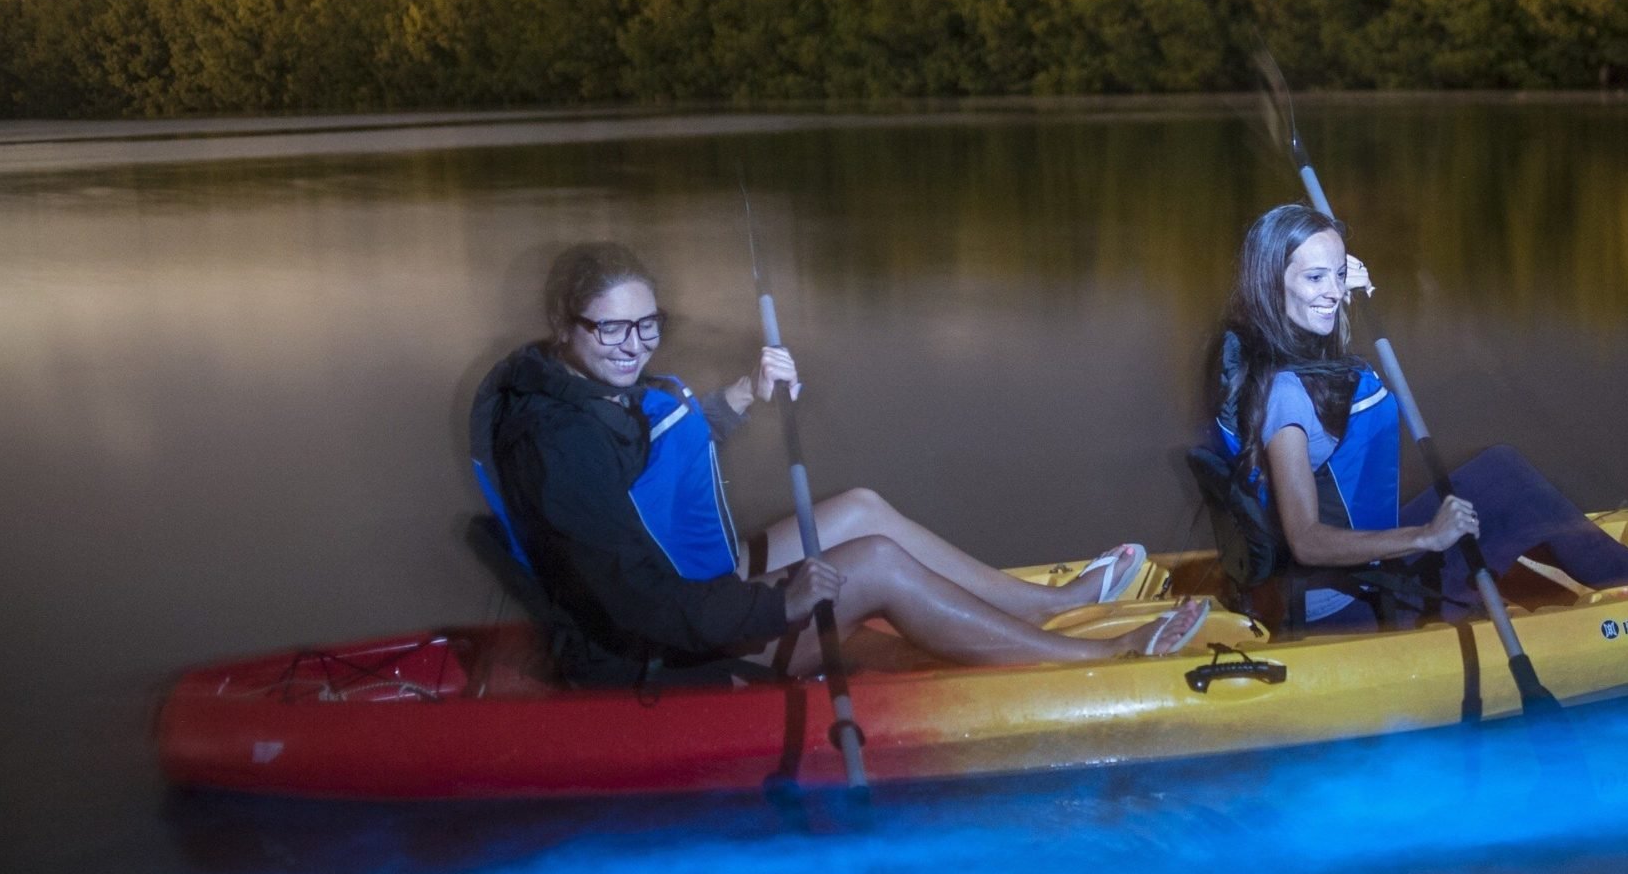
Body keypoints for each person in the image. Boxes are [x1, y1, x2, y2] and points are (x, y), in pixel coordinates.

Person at [475, 242, 1208, 686]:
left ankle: (1047, 607)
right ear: (561, 325)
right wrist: (779, 604)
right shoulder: (554, 444)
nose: (635, 345)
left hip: (690, 593)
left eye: (648, 324)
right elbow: (633, 597)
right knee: (875, 566)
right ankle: (1093, 660)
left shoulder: (577, 385)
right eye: (611, 328)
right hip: (656, 652)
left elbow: (648, 467)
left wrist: (738, 398)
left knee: (857, 507)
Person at [1208, 205, 1628, 632]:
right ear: (1272, 286)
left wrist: (1332, 276)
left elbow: (1317, 317)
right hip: (1358, 604)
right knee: (1510, 489)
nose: (1333, 292)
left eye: (1337, 275)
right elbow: (1305, 540)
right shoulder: (1285, 396)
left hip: (1354, 575)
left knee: (1499, 472)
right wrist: (1426, 536)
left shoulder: (1277, 349)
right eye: (1314, 280)